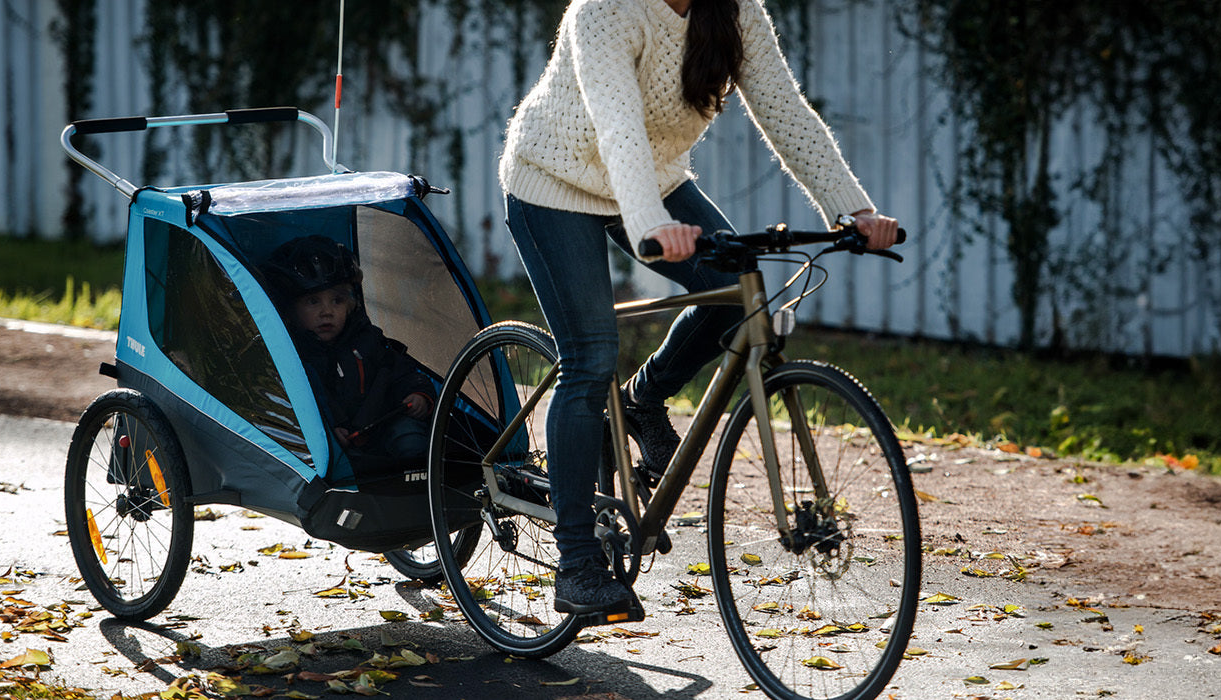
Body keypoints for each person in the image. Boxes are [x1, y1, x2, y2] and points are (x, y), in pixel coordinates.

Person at [498, 0, 901, 614]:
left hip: (653, 181)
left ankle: (641, 401)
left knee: (734, 294)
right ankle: (576, 563)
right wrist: (649, 224)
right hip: (556, 182)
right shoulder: (603, 9)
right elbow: (618, 124)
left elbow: (785, 111)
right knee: (591, 357)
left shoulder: (737, 11)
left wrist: (853, 209)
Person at [262, 236, 435, 478]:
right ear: (289, 310)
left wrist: (418, 395)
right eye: (313, 301)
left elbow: (401, 371)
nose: (327, 312)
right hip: (331, 447)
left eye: (337, 300)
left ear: (350, 304)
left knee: (409, 433)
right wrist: (327, 430)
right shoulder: (292, 356)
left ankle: (422, 485)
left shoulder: (367, 340)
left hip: (382, 428)